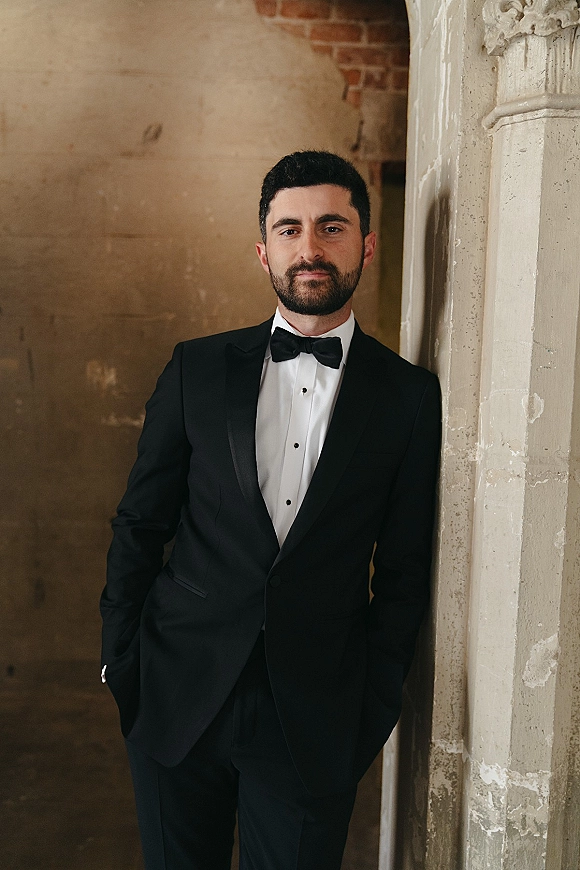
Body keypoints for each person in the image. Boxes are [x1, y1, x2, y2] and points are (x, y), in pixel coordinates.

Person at [100, 150, 441, 870]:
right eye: (289, 230)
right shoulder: (196, 368)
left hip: (315, 716)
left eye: (331, 227)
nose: (309, 249)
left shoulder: (409, 398)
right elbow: (141, 523)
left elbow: (407, 570)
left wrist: (373, 705)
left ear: (366, 244)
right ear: (263, 251)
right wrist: (121, 661)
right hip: (176, 691)